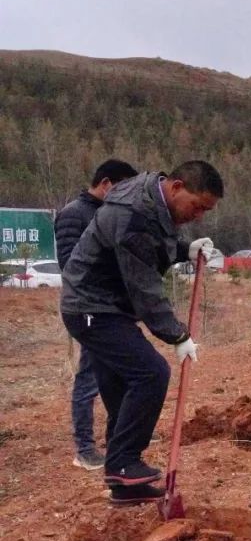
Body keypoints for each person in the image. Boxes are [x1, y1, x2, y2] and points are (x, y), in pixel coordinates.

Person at [61, 161, 223, 504]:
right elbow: (144, 285)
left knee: (121, 390)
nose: (198, 216)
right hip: (92, 308)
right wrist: (176, 334)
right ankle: (123, 464)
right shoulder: (135, 210)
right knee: (151, 373)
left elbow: (149, 246)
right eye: (197, 206)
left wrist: (184, 249)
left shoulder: (152, 203)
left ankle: (124, 487)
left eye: (205, 211)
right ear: (177, 187)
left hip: (103, 307)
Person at [55, 159, 138, 471]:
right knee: (89, 378)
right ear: (106, 184)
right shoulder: (73, 214)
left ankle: (116, 435)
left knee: (114, 376)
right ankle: (85, 447)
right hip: (89, 309)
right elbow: (70, 265)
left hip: (110, 309)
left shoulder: (106, 213)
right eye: (123, 189)